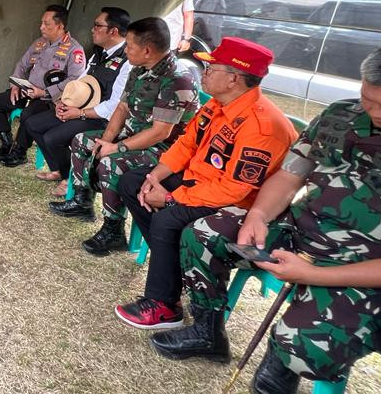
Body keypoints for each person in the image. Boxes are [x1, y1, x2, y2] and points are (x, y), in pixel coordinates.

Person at [150, 39, 381, 394]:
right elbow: (290, 175)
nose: (376, 112)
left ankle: (284, 360)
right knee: (204, 232)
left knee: (302, 344)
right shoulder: (341, 115)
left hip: (379, 265)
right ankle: (207, 330)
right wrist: (258, 214)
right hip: (300, 231)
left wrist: (313, 274)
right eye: (368, 98)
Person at [109, 37, 297, 329]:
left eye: (212, 67)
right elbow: (185, 145)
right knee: (133, 182)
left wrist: (171, 198)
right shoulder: (217, 106)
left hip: (236, 203)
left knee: (167, 219)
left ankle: (164, 305)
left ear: (234, 78)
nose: (204, 71)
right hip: (202, 182)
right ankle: (172, 264)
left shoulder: (262, 126)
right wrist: (155, 177)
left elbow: (234, 189)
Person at [60, 17, 199, 247]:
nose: (125, 50)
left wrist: (115, 148)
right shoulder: (139, 69)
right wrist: (105, 140)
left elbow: (160, 134)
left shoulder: (177, 81)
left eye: (130, 46)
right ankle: (82, 201)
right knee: (83, 141)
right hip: (133, 135)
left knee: (111, 163)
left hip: (163, 150)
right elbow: (123, 107)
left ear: (147, 50)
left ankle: (113, 229)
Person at [23, 7, 132, 187]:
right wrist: (63, 102)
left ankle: (69, 180)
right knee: (32, 124)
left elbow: (115, 105)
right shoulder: (99, 52)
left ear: (113, 31)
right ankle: (60, 170)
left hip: (102, 118)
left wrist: (80, 113)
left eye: (97, 25)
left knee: (53, 137)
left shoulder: (127, 60)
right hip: (80, 108)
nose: (92, 29)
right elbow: (80, 82)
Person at [0, 4, 86, 167]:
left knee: (28, 115)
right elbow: (22, 64)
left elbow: (75, 81)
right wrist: (16, 84)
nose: (41, 27)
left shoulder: (74, 50)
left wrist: (44, 92)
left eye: (46, 24)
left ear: (60, 26)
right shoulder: (39, 43)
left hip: (49, 99)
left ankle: (20, 153)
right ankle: (6, 143)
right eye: (42, 22)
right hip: (27, 91)